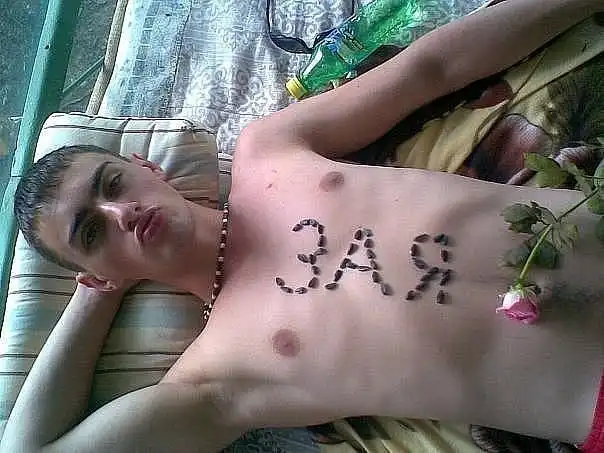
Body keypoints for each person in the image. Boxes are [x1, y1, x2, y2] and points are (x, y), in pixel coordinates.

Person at [2, 1, 604, 452]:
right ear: (97, 276)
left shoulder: (267, 149)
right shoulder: (218, 377)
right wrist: (94, 298)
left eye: (112, 185)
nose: (120, 213)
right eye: (91, 232)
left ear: (145, 167)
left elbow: (431, 68)